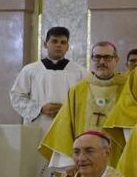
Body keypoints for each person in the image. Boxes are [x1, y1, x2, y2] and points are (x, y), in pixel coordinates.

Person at [40, 41, 127, 170]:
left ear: (116, 59)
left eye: (107, 57)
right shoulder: (78, 90)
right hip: (83, 159)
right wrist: (67, 161)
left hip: (117, 158)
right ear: (91, 59)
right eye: (97, 57)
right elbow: (65, 125)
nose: (102, 62)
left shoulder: (127, 89)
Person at [10, 26, 89, 129]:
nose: (58, 45)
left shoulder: (80, 72)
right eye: (54, 41)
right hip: (38, 125)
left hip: (68, 125)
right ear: (45, 44)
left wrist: (68, 109)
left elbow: (87, 99)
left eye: (63, 42)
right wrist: (40, 109)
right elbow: (17, 96)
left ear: (68, 47)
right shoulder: (30, 70)